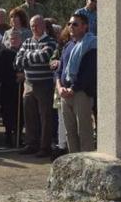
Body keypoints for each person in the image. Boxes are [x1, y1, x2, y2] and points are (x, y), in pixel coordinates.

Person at [15, 15, 57, 157]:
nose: (34, 28)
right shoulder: (27, 41)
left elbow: (45, 57)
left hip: (44, 84)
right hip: (29, 83)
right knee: (29, 115)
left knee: (45, 116)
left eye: (37, 25)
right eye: (32, 26)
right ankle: (31, 144)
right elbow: (17, 61)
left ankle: (45, 147)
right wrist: (33, 56)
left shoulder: (51, 41)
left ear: (44, 26)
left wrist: (27, 56)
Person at [56, 14, 97, 153]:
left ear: (85, 27)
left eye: (75, 24)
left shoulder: (91, 45)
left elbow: (88, 73)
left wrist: (73, 89)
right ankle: (74, 162)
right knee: (70, 132)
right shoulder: (67, 45)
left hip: (81, 93)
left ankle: (88, 164)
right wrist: (60, 88)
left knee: (84, 131)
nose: (70, 27)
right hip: (64, 94)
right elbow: (59, 70)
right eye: (69, 24)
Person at [0, 31, 24, 147]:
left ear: (20, 39)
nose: (13, 40)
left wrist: (21, 75)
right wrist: (14, 76)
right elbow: (2, 71)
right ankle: (8, 135)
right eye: (11, 39)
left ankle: (18, 135)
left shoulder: (24, 52)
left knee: (19, 112)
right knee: (7, 112)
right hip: (7, 86)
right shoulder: (4, 53)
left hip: (20, 87)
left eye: (15, 38)